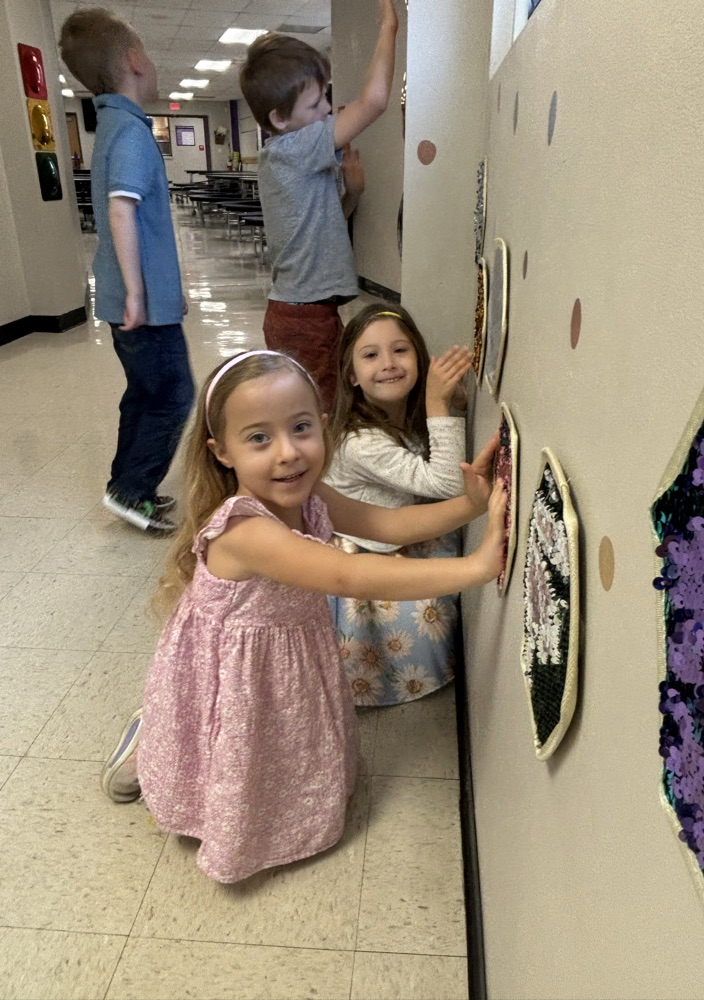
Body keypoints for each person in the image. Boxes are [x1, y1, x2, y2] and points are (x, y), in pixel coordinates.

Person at [99, 350, 505, 884]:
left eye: (301, 427)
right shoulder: (248, 532)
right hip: (234, 665)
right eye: (259, 438)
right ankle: (148, 736)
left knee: (273, 735)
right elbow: (347, 576)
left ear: (324, 427)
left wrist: (470, 507)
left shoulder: (310, 496)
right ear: (222, 452)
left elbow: (385, 522)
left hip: (282, 651)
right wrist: (475, 566)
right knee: (224, 735)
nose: (288, 453)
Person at [59, 9, 194, 533]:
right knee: (174, 396)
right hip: (138, 304)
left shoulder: (112, 127)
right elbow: (122, 211)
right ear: (136, 61)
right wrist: (140, 294)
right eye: (151, 56)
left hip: (137, 299)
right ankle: (133, 489)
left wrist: (163, 289)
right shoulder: (134, 133)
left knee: (144, 393)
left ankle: (126, 485)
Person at [238, 0, 398, 410]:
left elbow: (316, 225)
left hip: (301, 312)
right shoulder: (297, 146)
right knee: (323, 410)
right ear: (279, 119)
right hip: (304, 316)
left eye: (324, 98)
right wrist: (387, 26)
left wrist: (354, 194)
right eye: (314, 106)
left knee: (327, 403)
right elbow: (376, 102)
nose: (327, 109)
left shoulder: (283, 155)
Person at [325, 304, 473, 706]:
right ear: (351, 375)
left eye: (400, 351)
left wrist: (450, 396)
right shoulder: (359, 441)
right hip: (363, 549)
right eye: (370, 355)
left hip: (390, 529)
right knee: (426, 611)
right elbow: (448, 484)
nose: (388, 364)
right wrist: (438, 404)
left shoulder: (397, 411)